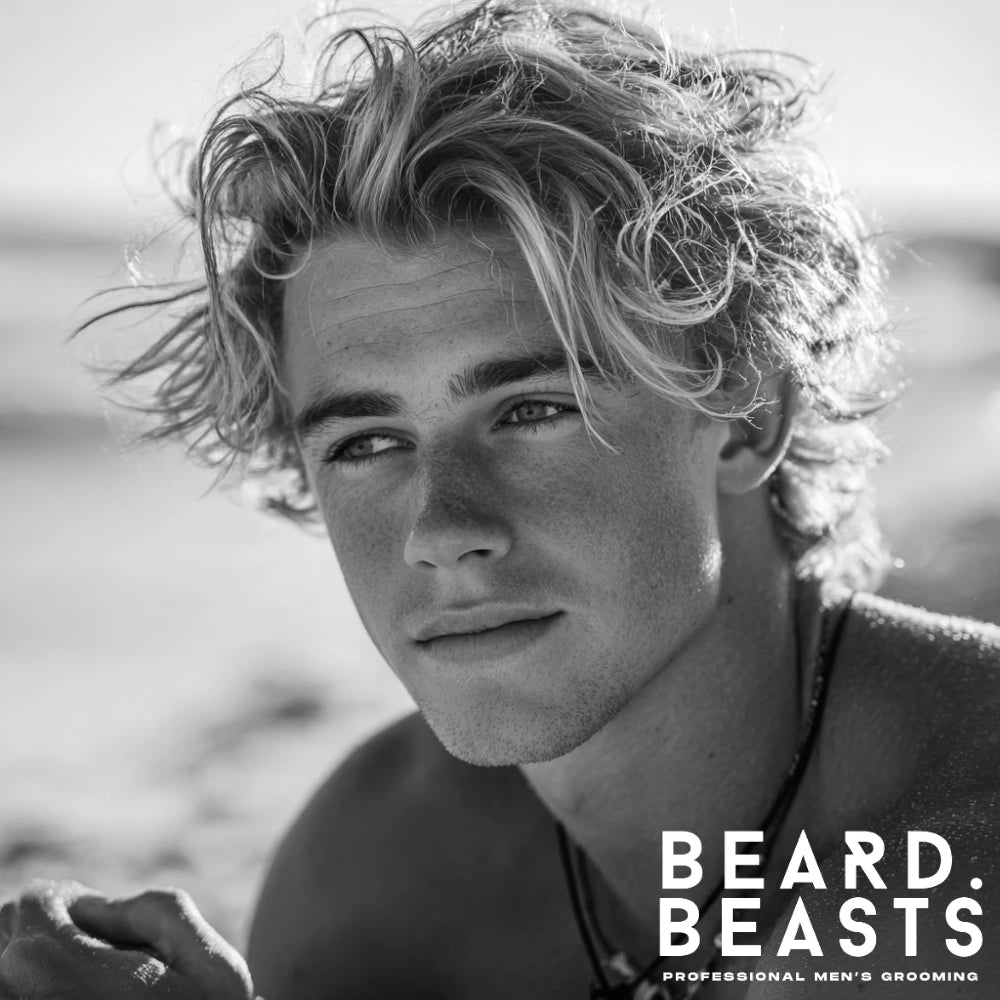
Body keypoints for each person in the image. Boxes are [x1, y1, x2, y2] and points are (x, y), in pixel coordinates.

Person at [2, 1, 998, 997]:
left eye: (530, 411)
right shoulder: (373, 883)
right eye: (368, 441)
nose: (441, 530)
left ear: (745, 418)